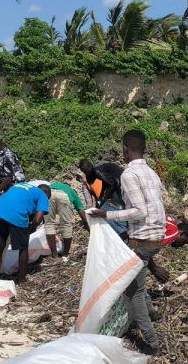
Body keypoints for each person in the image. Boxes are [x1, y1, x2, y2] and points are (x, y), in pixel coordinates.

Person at [90, 130, 165, 352]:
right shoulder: (151, 173)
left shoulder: (129, 175)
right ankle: (151, 312)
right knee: (138, 282)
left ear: (125, 148)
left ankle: (152, 342)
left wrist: (107, 215)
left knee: (134, 291)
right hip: (155, 238)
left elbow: (140, 211)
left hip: (142, 240)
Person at [0, 183, 50, 284]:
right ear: (47, 193)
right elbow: (37, 220)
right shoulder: (43, 195)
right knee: (23, 248)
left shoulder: (20, 185)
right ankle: (22, 279)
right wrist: (29, 227)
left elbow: (1, 198)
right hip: (17, 215)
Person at [45, 182, 89, 258]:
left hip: (49, 193)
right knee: (66, 224)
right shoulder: (71, 191)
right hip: (63, 196)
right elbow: (80, 210)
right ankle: (65, 254)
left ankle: (54, 255)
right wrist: (87, 224)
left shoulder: (53, 185)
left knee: (49, 225)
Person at [0, 135, 25, 202]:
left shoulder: (7, 155)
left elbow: (8, 178)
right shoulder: (1, 154)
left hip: (16, 187)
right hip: (9, 187)